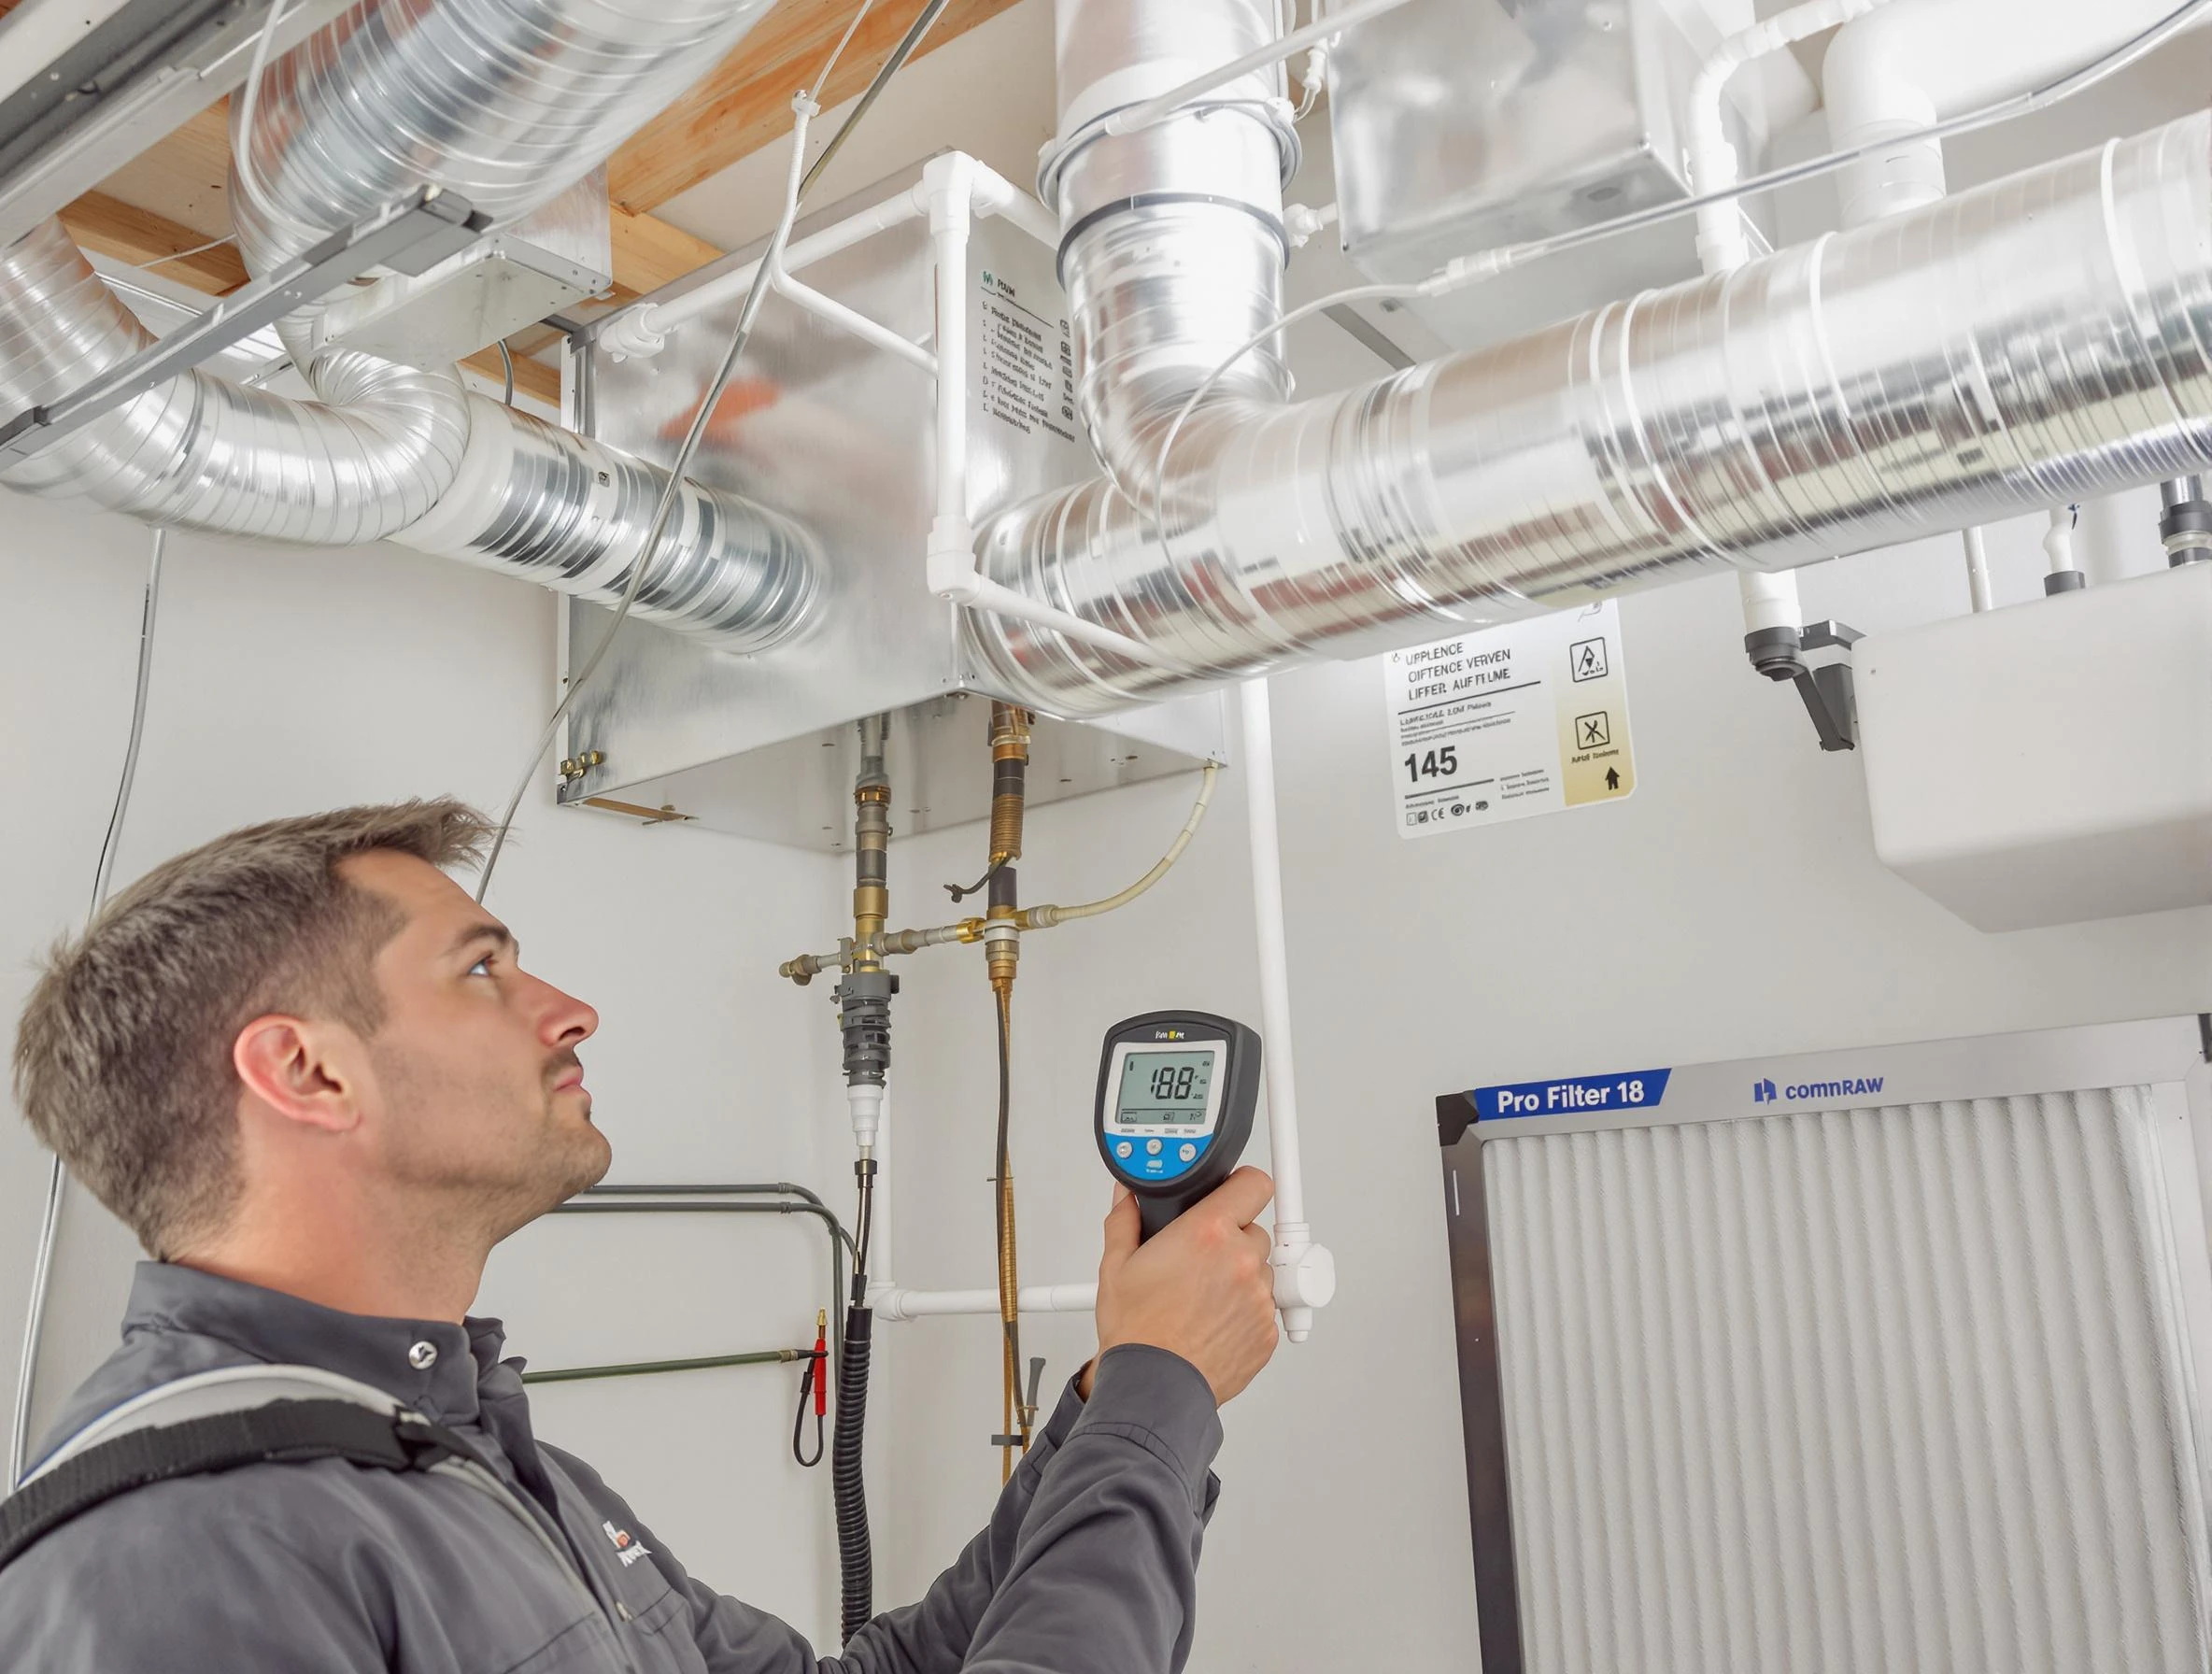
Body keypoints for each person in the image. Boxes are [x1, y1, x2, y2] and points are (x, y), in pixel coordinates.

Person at [0, 800, 1280, 1672]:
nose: (571, 1011)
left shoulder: (467, 1459)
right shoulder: (176, 1563)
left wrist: (1116, 1391)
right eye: (484, 971)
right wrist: (1157, 1407)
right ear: (307, 1073)